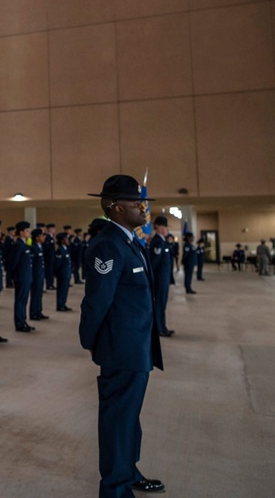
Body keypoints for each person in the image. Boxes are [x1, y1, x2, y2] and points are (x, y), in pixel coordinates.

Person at [79, 174, 165, 497]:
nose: (143, 208)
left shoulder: (130, 240)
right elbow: (97, 301)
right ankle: (114, 489)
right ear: (116, 208)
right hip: (121, 348)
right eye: (136, 203)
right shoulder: (108, 245)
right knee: (117, 420)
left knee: (130, 417)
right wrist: (90, 341)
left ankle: (127, 471)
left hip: (137, 346)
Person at [147, 217, 174, 337]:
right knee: (159, 304)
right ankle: (158, 328)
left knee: (162, 304)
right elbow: (154, 262)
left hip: (164, 278)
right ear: (159, 228)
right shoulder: (158, 241)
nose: (166, 229)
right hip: (159, 279)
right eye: (164, 227)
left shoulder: (162, 241)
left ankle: (162, 326)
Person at [29, 227, 48, 322]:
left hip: (40, 274)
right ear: (36, 238)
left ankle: (39, 311)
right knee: (35, 294)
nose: (43, 237)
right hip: (35, 275)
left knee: (39, 294)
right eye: (42, 236)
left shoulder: (40, 247)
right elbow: (31, 263)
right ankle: (33, 313)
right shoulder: (33, 248)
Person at [54, 232, 73, 312]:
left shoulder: (65, 249)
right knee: (61, 290)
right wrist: (56, 273)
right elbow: (57, 264)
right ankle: (60, 305)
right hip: (62, 274)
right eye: (66, 239)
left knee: (65, 289)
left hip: (66, 273)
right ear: (62, 241)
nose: (68, 240)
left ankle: (63, 303)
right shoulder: (60, 250)